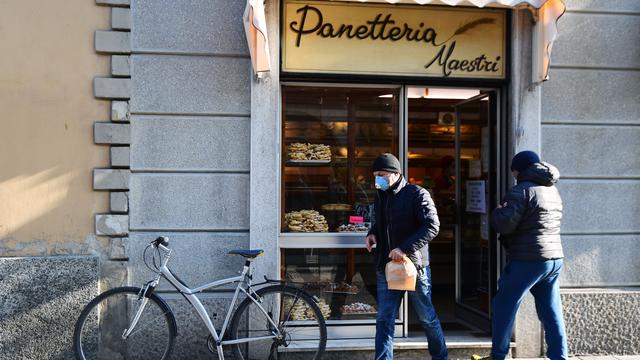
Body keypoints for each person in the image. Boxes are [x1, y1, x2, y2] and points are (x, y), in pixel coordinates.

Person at [472, 150, 568, 360]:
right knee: (551, 310)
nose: (513, 173)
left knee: (503, 305)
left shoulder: (521, 191)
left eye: (514, 170)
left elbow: (504, 225)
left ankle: (498, 355)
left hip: (528, 258)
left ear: (518, 170)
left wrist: (497, 211)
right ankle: (559, 356)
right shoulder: (552, 190)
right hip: (553, 258)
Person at [365, 153, 448, 360]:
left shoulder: (417, 193)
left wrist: (403, 248)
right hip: (387, 267)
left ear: (395, 173)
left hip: (414, 268)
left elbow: (432, 226)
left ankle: (441, 357)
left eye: (381, 175)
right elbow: (382, 222)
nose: (377, 180)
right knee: (384, 319)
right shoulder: (381, 196)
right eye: (375, 175)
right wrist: (372, 233)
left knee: (427, 318)